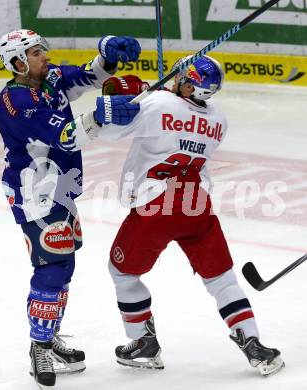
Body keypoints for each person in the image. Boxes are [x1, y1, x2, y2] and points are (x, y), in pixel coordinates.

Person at [92, 57, 285, 376]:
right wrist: (150, 96)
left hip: (156, 203)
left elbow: (110, 130)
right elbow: (178, 123)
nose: (175, 78)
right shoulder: (218, 121)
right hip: (197, 201)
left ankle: (142, 343)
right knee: (222, 279)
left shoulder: (157, 103)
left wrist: (128, 98)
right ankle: (254, 346)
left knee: (122, 273)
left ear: (191, 84)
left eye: (181, 76)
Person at [0, 29, 141, 389]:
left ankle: (49, 335)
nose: (45, 55)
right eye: (36, 52)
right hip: (35, 193)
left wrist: (108, 56)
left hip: (59, 186)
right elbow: (65, 134)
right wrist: (101, 115)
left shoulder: (49, 79)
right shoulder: (16, 102)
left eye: (42, 49)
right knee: (53, 264)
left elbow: (88, 76)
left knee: (66, 262)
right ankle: (39, 346)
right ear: (17, 62)